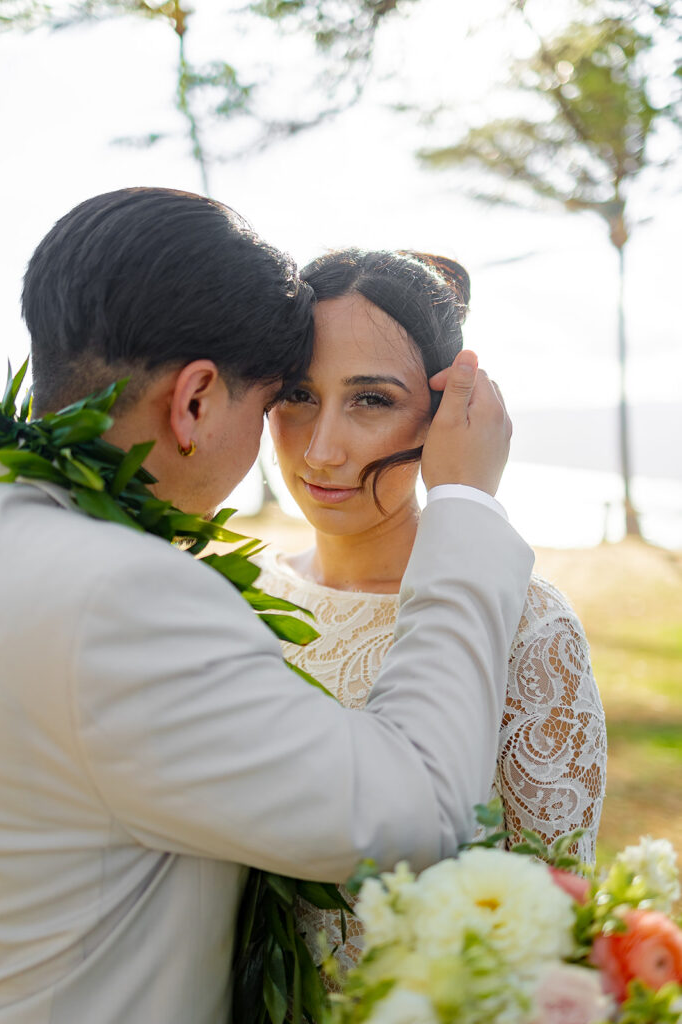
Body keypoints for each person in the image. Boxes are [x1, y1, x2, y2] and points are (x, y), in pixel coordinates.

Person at [0, 189, 534, 1024]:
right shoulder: (129, 598)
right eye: (282, 399)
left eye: (370, 399)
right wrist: (465, 507)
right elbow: (419, 809)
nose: (317, 450)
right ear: (195, 401)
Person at [257, 248, 608, 976]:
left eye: (371, 400)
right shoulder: (236, 594)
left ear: (447, 414)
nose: (322, 450)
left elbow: (551, 933)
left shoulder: (526, 627)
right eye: (297, 394)